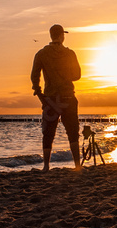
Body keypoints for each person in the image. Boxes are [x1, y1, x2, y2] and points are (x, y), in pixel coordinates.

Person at [31, 24, 82, 171]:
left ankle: (46, 166)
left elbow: (34, 77)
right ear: (61, 36)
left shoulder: (41, 54)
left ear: (51, 36)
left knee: (48, 133)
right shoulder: (70, 54)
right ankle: (77, 166)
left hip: (51, 99)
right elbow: (77, 75)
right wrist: (65, 75)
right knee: (73, 131)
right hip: (68, 98)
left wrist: (40, 95)